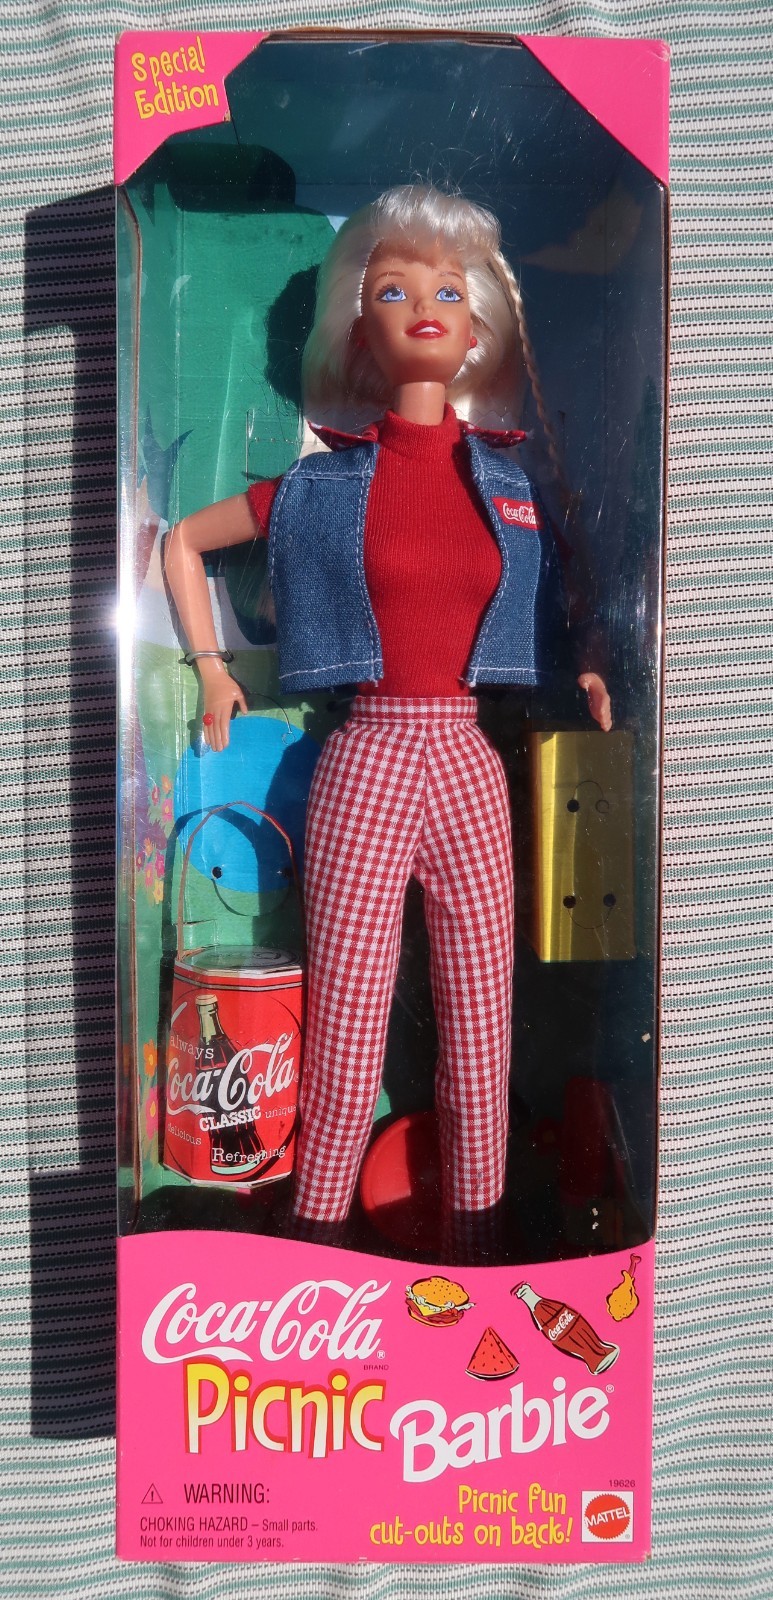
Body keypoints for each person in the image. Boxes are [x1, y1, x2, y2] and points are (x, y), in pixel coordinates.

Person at [164, 185, 610, 1261]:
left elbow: (575, 594)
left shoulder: (509, 486)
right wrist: (212, 669)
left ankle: (479, 1243)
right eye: (394, 289)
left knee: (481, 1029)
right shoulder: (324, 486)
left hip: (468, 760)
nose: (423, 308)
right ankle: (315, 1235)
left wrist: (594, 665)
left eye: (447, 291)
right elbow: (181, 540)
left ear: (477, 328)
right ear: (358, 325)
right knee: (347, 1027)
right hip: (364, 755)